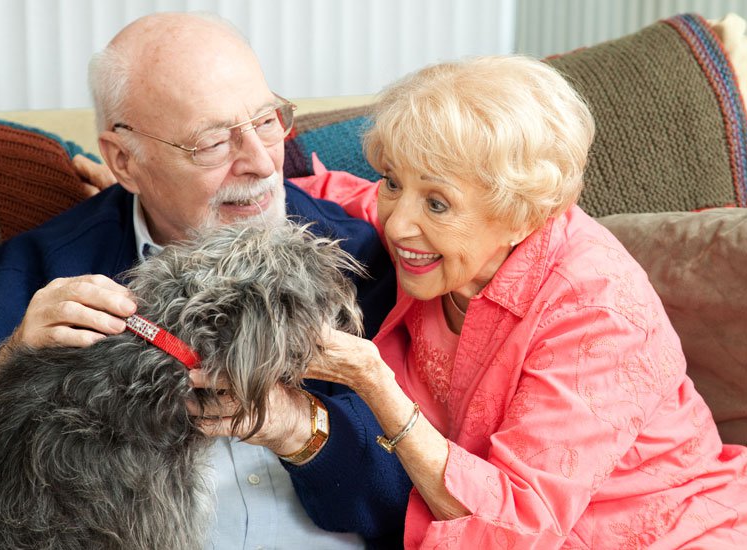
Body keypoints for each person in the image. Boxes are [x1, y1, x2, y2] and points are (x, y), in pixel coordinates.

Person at [0, 12, 409, 548]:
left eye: (267, 120)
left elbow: (411, 497)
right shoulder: (43, 269)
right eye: (213, 142)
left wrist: (296, 427)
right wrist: (5, 364)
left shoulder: (358, 258)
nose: (262, 163)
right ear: (124, 160)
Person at [295, 55, 747, 548]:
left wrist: (374, 382)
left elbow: (516, 526)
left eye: (437, 203)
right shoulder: (434, 236)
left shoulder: (597, 313)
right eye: (395, 182)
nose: (398, 223)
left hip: (664, 534)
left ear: (521, 216)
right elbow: (346, 195)